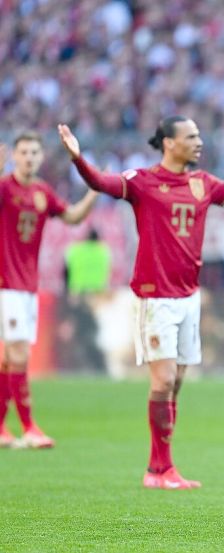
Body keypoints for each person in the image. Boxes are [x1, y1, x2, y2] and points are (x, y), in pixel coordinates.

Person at [58, 118, 224, 488]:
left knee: (176, 383)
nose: (199, 142)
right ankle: (158, 468)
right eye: (191, 137)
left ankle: (162, 468)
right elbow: (101, 184)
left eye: (199, 136)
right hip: (155, 295)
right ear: (170, 143)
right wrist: (78, 160)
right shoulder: (141, 181)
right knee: (163, 381)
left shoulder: (203, 184)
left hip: (189, 295)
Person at [0, 132, 98, 449]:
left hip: (28, 286)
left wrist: (93, 193)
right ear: (14, 156)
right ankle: (29, 427)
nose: (29, 157)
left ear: (41, 158)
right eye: (24, 152)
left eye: (34, 153)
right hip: (5, 284)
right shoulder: (4, 188)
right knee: (19, 354)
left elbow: (71, 217)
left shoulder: (42, 192)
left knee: (8, 360)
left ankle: (1, 427)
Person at [65, 228, 112, 295]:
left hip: (78, 290)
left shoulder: (74, 249)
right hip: (98, 290)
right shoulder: (104, 251)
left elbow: (66, 269)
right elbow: (109, 270)